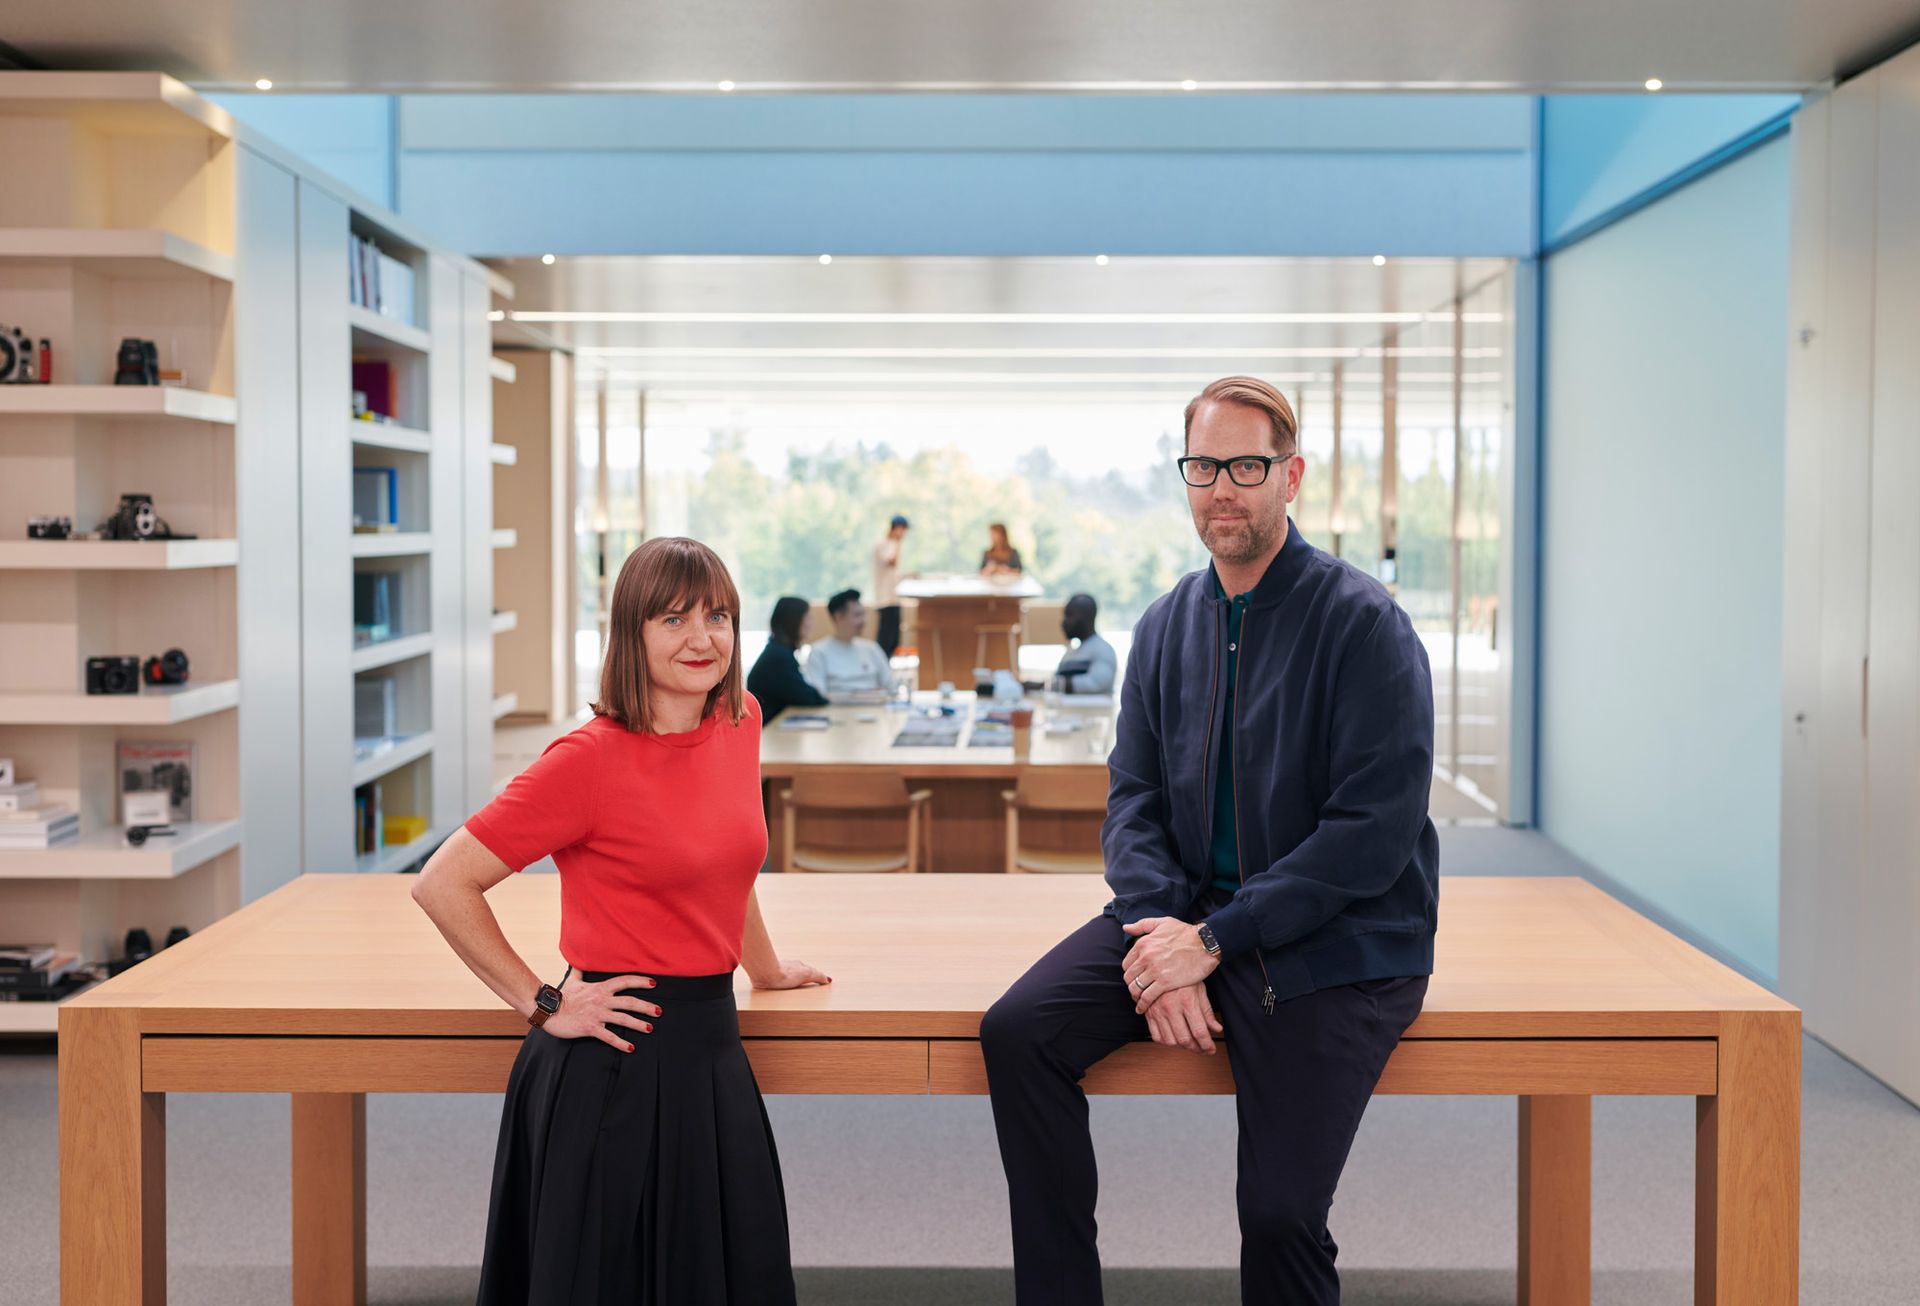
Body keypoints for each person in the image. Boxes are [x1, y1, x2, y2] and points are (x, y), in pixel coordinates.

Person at [980, 376, 1438, 1306]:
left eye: (1245, 465)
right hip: (1182, 912)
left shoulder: (1363, 625)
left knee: (1277, 1214)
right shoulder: (1163, 626)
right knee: (1019, 1033)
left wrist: (1214, 943)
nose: (1221, 487)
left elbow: (1369, 837)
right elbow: (1134, 799)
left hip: (1331, 942)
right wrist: (1160, 933)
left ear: (1290, 475)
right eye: (1202, 466)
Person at [412, 535, 830, 1306]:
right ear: (632, 635)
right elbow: (444, 883)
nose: (702, 639)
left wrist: (764, 968)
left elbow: (725, 863)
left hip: (711, 1048)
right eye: (673, 619)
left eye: (719, 616)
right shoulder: (588, 760)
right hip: (614, 1056)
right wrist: (540, 1001)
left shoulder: (741, 719)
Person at [747, 595, 830, 722]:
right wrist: (819, 695)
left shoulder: (778, 651)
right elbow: (807, 698)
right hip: (770, 733)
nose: (811, 623)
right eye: (807, 617)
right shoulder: (778, 657)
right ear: (794, 620)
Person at [803, 588, 894, 698]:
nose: (864, 621)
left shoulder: (872, 648)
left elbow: (891, 687)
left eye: (864, 614)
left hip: (874, 712)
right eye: (857, 615)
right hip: (835, 713)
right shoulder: (819, 652)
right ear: (839, 617)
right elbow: (818, 694)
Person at [1053, 593, 1117, 696]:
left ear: (1086, 617)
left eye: (1069, 615)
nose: (1064, 621)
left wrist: (1054, 684)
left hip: (1095, 712)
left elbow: (1096, 684)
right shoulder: (1071, 652)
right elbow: (1056, 680)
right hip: (1068, 711)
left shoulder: (1103, 650)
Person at [872, 514, 910, 658]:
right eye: (902, 530)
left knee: (894, 639)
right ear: (896, 528)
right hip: (885, 598)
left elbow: (894, 572)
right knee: (885, 639)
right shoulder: (883, 544)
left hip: (894, 597)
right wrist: (898, 543)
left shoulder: (892, 544)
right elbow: (891, 562)